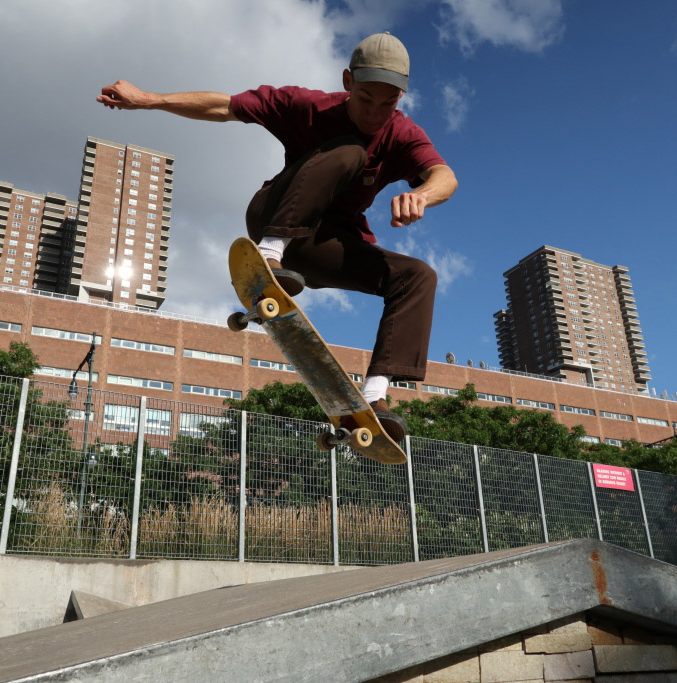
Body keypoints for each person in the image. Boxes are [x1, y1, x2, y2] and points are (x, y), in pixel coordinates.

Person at [98, 32, 458, 441]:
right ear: (347, 82)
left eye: (387, 104)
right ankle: (270, 255)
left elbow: (444, 176)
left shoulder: (401, 133)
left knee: (418, 276)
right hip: (274, 215)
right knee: (351, 150)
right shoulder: (305, 106)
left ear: (400, 99)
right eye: (365, 99)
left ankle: (373, 398)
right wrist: (148, 98)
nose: (375, 114)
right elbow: (224, 106)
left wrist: (421, 195)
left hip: (323, 248)